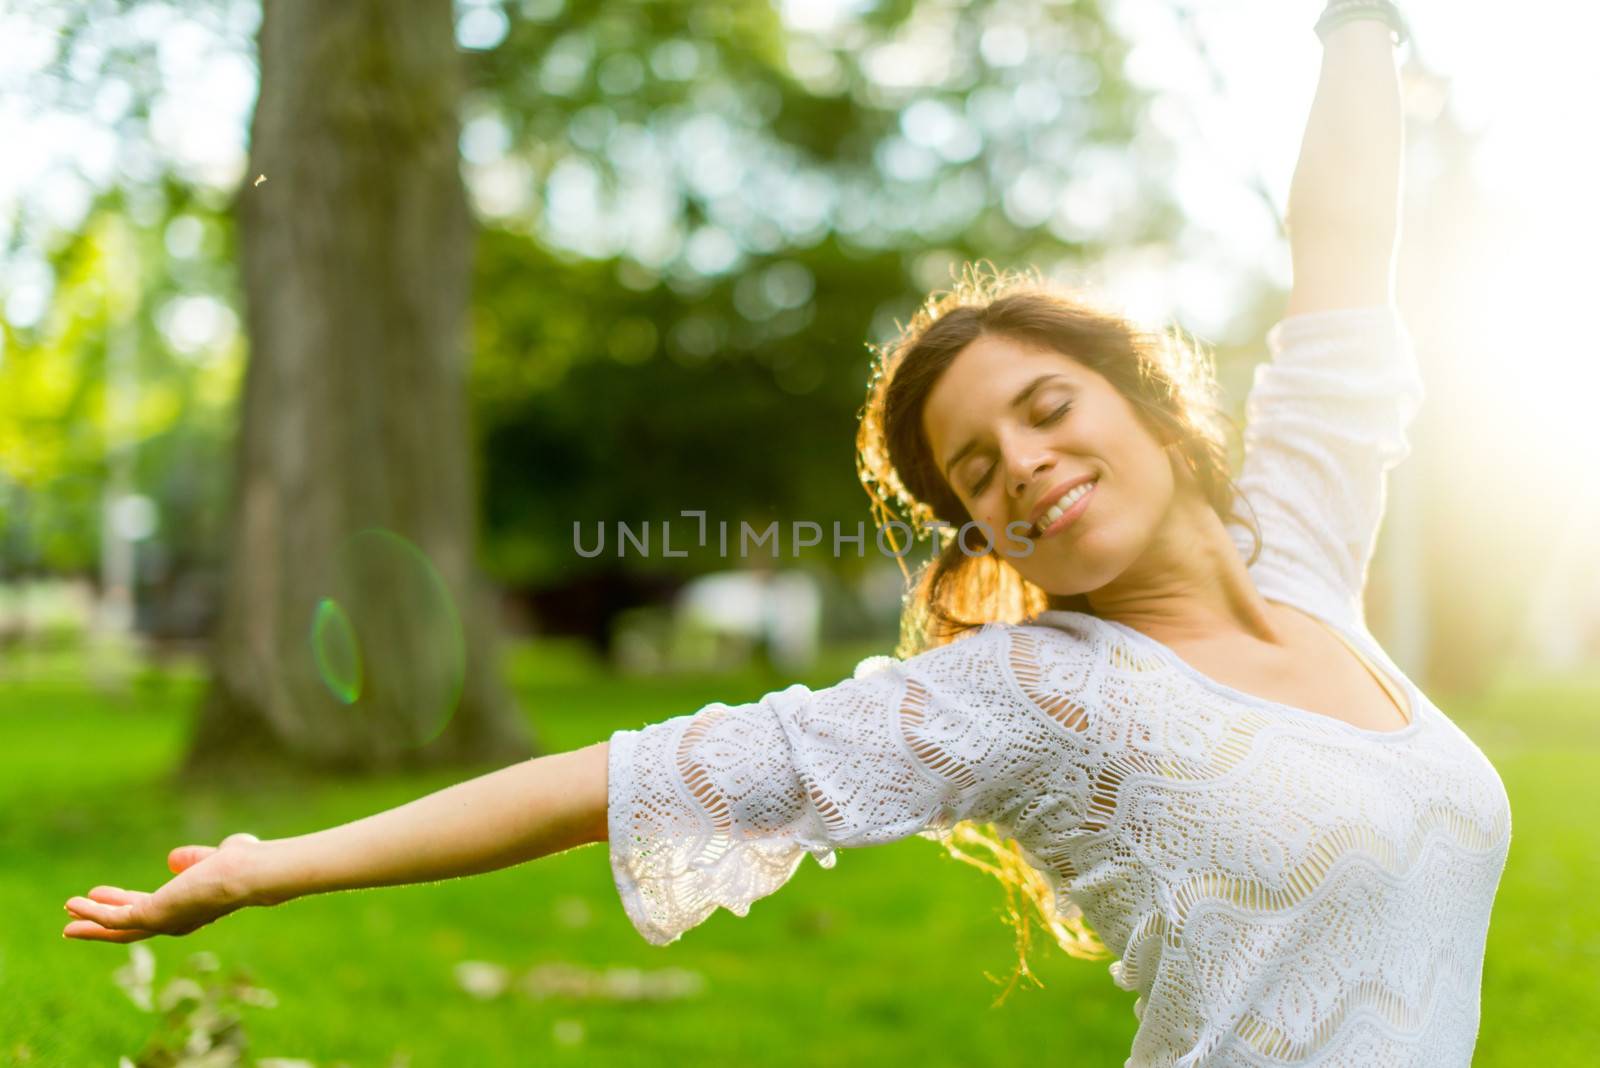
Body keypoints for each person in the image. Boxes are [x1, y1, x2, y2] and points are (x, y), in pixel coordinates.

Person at [64, 3, 1511, 1064]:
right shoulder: (1036, 693)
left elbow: (1340, 257)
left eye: (1051, 408)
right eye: (977, 471)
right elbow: (611, 778)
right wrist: (275, 867)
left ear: (1148, 400)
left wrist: (1357, 24)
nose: (1027, 469)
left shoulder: (1308, 556)